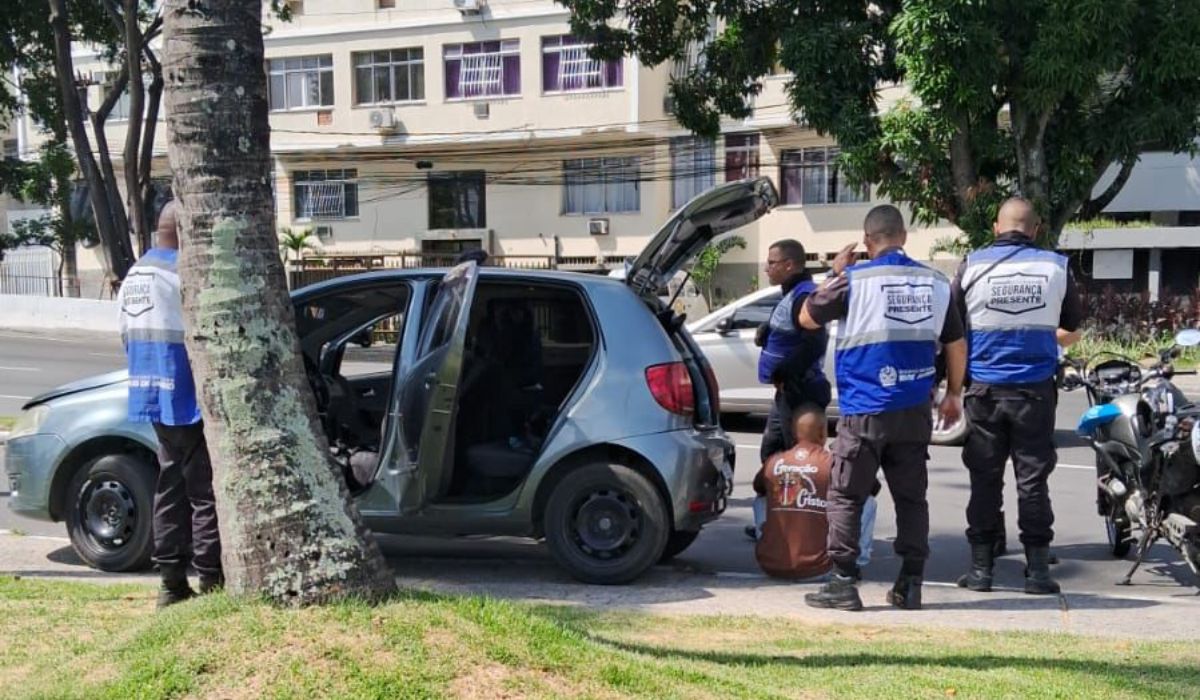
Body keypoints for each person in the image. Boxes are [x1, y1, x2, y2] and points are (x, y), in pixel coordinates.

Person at [798, 204, 967, 611]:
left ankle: (843, 583)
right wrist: (953, 393)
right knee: (911, 499)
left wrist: (835, 272)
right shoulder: (935, 282)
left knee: (846, 496)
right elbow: (956, 344)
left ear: (866, 241)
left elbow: (806, 318)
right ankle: (910, 584)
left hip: (865, 410)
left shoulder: (853, 281)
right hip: (914, 409)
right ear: (903, 237)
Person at [951, 197, 1083, 595]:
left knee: (984, 481)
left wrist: (950, 388)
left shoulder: (972, 266)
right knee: (1033, 481)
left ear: (996, 227)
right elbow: (1072, 324)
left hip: (984, 391)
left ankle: (981, 572)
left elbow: (953, 330)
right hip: (1035, 391)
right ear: (1036, 228)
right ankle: (1038, 574)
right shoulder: (1056, 267)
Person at [117, 201, 223, 608]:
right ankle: (210, 580)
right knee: (203, 492)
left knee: (169, 486)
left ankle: (171, 583)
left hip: (151, 393)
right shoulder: (182, 272)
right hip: (187, 394)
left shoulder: (135, 274)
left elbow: (125, 335)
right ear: (185, 230)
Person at [755, 406, 878, 580]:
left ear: (794, 433)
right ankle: (851, 563)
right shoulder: (834, 463)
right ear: (822, 432)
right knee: (867, 501)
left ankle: (772, 548)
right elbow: (872, 487)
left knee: (762, 498)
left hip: (771, 567)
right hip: (819, 569)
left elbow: (758, 488)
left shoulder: (774, 461)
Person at [755, 239, 831, 461]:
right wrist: (767, 330)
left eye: (772, 262)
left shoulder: (803, 295)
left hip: (801, 390)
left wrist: (785, 372)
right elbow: (791, 328)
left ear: (788, 265)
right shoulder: (792, 293)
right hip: (788, 391)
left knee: (798, 458)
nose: (766, 268)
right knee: (772, 452)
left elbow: (815, 342)